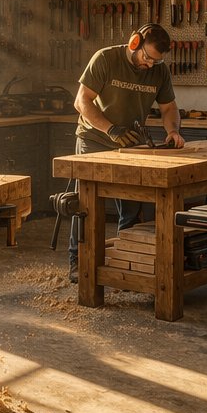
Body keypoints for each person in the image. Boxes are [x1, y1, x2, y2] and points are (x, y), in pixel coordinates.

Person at [67, 24, 184, 281]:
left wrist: (173, 131)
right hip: (95, 140)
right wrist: (110, 129)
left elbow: (168, 108)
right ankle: (78, 262)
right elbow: (81, 101)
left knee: (132, 206)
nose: (151, 65)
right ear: (134, 43)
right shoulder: (106, 59)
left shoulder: (159, 71)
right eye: (147, 58)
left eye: (157, 61)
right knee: (86, 205)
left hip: (130, 143)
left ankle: (127, 261)